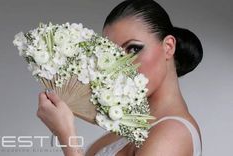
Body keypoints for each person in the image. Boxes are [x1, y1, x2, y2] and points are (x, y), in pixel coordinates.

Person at [37, 0, 203, 155]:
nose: (120, 67)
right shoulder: (129, 129)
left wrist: (66, 136)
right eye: (112, 56)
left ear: (168, 47)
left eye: (133, 50)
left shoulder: (173, 133)